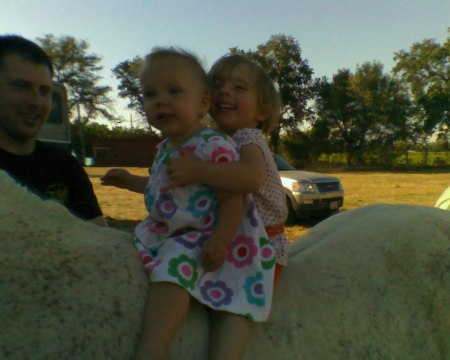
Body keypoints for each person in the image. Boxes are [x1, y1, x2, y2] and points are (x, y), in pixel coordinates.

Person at [101, 48, 275, 360]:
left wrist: (221, 239)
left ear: (202, 103)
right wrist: (130, 181)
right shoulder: (166, 147)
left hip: (214, 236)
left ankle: (155, 345)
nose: (161, 100)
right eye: (150, 93)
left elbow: (234, 195)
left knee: (175, 268)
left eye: (174, 91)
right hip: (177, 230)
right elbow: (165, 186)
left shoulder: (215, 145)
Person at [165, 53, 288, 282]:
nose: (225, 91)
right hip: (233, 239)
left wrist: (198, 170)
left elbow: (250, 178)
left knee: (229, 309)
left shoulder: (248, 139)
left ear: (261, 111)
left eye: (239, 88)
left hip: (260, 246)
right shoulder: (215, 141)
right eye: (217, 85)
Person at [0, 35, 106, 226]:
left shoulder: (65, 167)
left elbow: (101, 241)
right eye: (21, 86)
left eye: (44, 91)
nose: (36, 102)